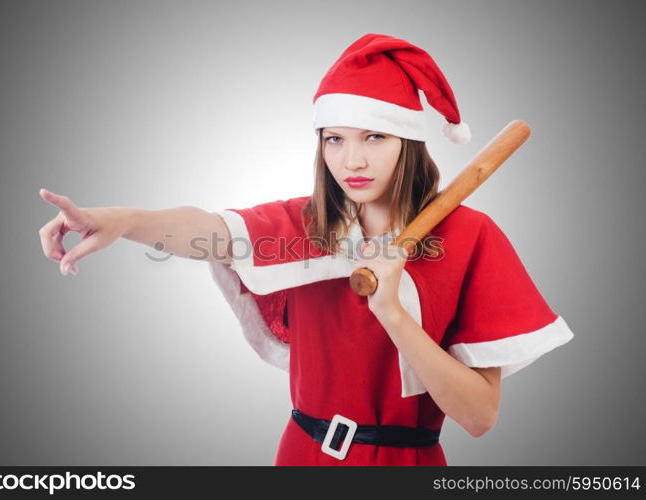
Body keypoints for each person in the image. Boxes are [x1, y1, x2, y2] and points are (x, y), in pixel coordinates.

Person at [38, 33, 575, 466]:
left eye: (374, 137)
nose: (352, 161)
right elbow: (205, 228)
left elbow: (479, 418)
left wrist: (392, 313)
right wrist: (121, 220)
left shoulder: (470, 237)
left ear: (407, 141)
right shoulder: (303, 225)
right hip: (300, 458)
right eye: (334, 139)